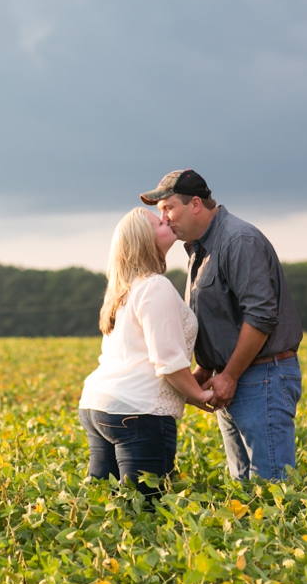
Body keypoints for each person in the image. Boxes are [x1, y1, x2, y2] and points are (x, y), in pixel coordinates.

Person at [140, 169, 303, 481]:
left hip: (260, 376)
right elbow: (221, 318)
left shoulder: (238, 240)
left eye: (169, 208)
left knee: (272, 486)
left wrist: (229, 374)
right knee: (243, 485)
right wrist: (206, 367)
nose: (165, 218)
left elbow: (260, 315)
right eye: (160, 211)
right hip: (236, 376)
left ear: (196, 204)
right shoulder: (199, 248)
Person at [78, 207, 215, 499]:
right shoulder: (155, 286)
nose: (166, 218)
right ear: (144, 239)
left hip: (97, 405)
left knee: (105, 506)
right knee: (146, 509)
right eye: (158, 222)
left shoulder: (122, 289)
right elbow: (167, 360)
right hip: (138, 413)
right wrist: (198, 395)